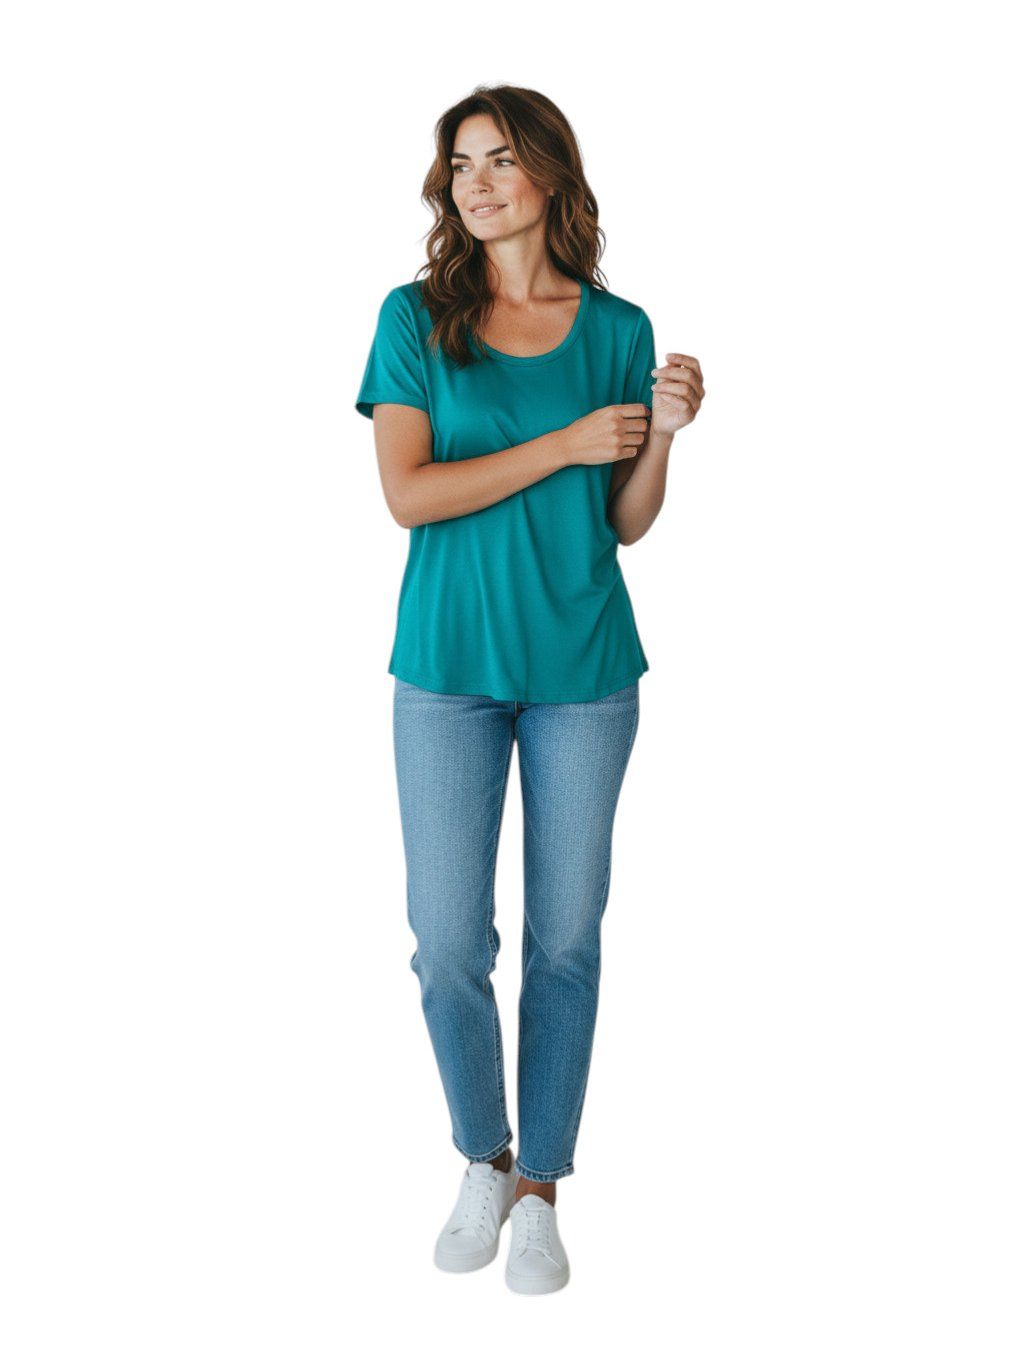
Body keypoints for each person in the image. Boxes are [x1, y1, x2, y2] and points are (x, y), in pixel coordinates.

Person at [354, 84, 704, 1295]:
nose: (478, 183)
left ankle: (543, 1187)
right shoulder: (415, 319)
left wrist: (661, 434)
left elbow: (625, 522)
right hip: (446, 670)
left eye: (501, 159)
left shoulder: (617, 328)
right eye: (461, 165)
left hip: (583, 673)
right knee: (448, 943)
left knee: (565, 942)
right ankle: (484, 1157)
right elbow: (409, 494)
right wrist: (560, 443)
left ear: (551, 172)